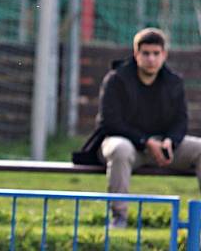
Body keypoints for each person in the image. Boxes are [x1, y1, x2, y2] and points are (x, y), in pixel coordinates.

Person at [73, 27, 201, 228]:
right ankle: (119, 219)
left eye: (156, 54)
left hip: (163, 147)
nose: (151, 59)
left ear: (164, 55)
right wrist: (145, 141)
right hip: (127, 145)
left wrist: (171, 141)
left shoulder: (174, 82)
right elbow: (109, 122)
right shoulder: (116, 79)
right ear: (136, 54)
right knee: (119, 149)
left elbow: (181, 121)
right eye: (146, 53)